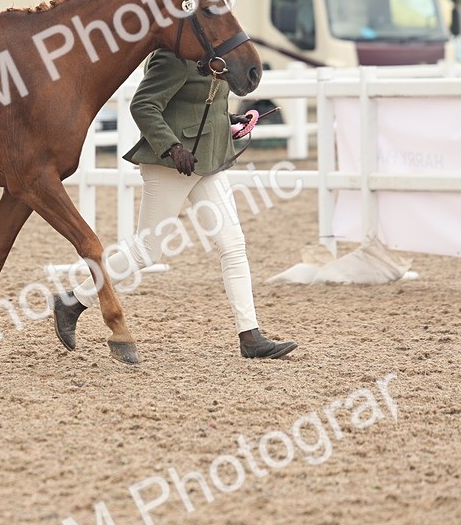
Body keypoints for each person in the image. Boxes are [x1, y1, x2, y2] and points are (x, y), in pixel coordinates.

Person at [52, 48, 297, 359]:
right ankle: (74, 301)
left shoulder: (217, 55)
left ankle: (250, 336)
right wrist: (171, 147)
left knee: (233, 244)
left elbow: (199, 106)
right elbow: (143, 105)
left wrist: (228, 122)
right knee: (146, 251)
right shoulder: (171, 57)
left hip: (206, 160)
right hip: (170, 164)